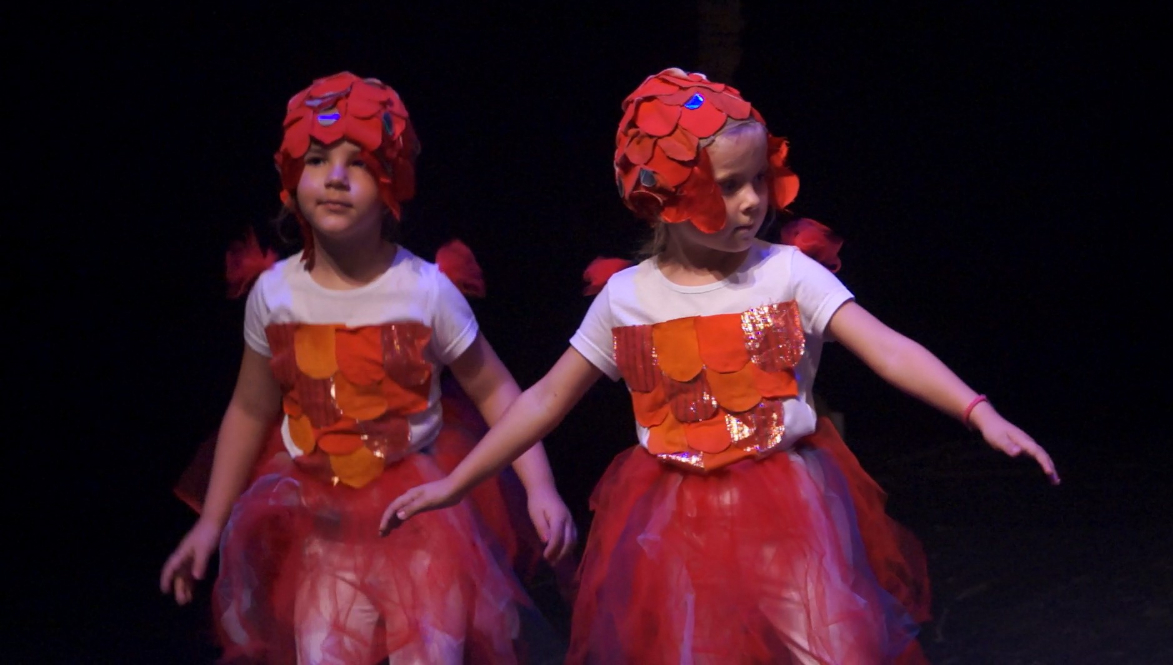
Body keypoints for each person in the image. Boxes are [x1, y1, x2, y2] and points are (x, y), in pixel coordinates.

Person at [380, 68, 1059, 663]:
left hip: (790, 516)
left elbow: (887, 348)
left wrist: (978, 410)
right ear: (666, 197)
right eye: (729, 186)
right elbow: (543, 400)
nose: (753, 201)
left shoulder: (787, 273)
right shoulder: (629, 298)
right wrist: (457, 482)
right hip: (676, 527)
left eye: (759, 179)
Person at [159, 71, 574, 664]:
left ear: (390, 184)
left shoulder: (425, 291)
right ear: (291, 177)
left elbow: (497, 392)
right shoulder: (275, 294)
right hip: (320, 529)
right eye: (317, 159)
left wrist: (541, 487)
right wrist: (211, 522)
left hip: (422, 523)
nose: (335, 177)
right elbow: (249, 410)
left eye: (357, 163)